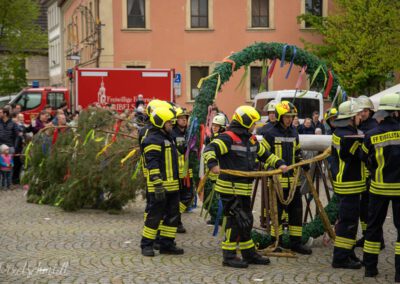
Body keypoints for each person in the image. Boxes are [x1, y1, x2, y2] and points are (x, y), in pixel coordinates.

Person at [204, 105, 288, 268]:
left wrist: (279, 163)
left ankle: (248, 253)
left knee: (246, 220)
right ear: (245, 121)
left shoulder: (251, 139)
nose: (254, 126)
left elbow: (265, 154)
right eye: (253, 123)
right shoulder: (227, 137)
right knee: (236, 221)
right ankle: (228, 256)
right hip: (229, 188)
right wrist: (213, 164)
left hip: (243, 189)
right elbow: (209, 149)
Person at [263, 101, 312, 255]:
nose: (289, 119)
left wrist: (302, 162)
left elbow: (297, 152)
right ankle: (274, 241)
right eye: (286, 116)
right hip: (277, 181)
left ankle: (295, 242)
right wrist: (270, 168)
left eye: (291, 116)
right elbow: (262, 155)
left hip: (293, 181)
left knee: (296, 211)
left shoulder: (294, 133)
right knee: (276, 212)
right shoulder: (270, 133)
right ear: (279, 116)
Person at [360, 93, 400, 282]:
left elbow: (363, 156)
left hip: (378, 188)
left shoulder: (371, 134)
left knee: (373, 228)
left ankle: (370, 268)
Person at [140, 106, 184, 257]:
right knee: (154, 217)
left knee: (172, 217)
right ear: (160, 123)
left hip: (172, 186)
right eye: (169, 123)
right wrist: (157, 183)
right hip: (159, 187)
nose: (172, 125)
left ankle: (167, 244)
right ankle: (146, 245)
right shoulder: (152, 140)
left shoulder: (167, 138)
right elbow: (152, 163)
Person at [330, 99, 365, 269]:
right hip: (349, 182)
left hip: (345, 181)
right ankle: (340, 258)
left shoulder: (340, 132)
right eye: (358, 114)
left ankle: (348, 252)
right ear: (351, 117)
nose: (360, 116)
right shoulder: (349, 136)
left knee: (349, 221)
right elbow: (354, 156)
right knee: (347, 222)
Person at [355, 96, 379, 248]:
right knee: (364, 209)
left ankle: (376, 239)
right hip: (363, 173)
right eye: (360, 111)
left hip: (370, 172)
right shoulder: (362, 125)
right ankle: (366, 235)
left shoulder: (372, 126)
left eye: (364, 111)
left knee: (371, 209)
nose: (362, 114)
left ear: (370, 111)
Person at [203, 114, 227, 225]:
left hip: (218, 174)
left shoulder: (221, 138)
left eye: (217, 126)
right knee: (210, 199)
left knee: (218, 199)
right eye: (213, 125)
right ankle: (215, 217)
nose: (214, 127)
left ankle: (220, 218)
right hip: (210, 174)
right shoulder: (211, 138)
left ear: (222, 127)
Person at [172, 107, 192, 233]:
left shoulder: (189, 133)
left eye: (185, 118)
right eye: (181, 118)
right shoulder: (172, 133)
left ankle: (173, 216)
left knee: (189, 196)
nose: (184, 120)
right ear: (176, 120)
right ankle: (176, 221)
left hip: (187, 172)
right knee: (178, 198)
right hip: (176, 172)